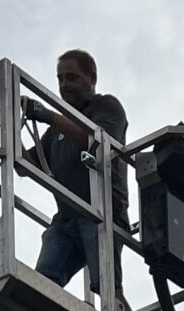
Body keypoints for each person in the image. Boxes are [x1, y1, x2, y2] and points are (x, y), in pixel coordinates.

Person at [31, 49, 129, 295]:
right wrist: (11, 125)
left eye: (71, 77)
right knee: (42, 286)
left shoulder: (107, 106)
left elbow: (98, 143)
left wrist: (48, 115)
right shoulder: (56, 130)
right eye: (60, 78)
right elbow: (28, 164)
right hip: (66, 220)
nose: (64, 85)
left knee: (108, 291)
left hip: (101, 215)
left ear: (91, 78)